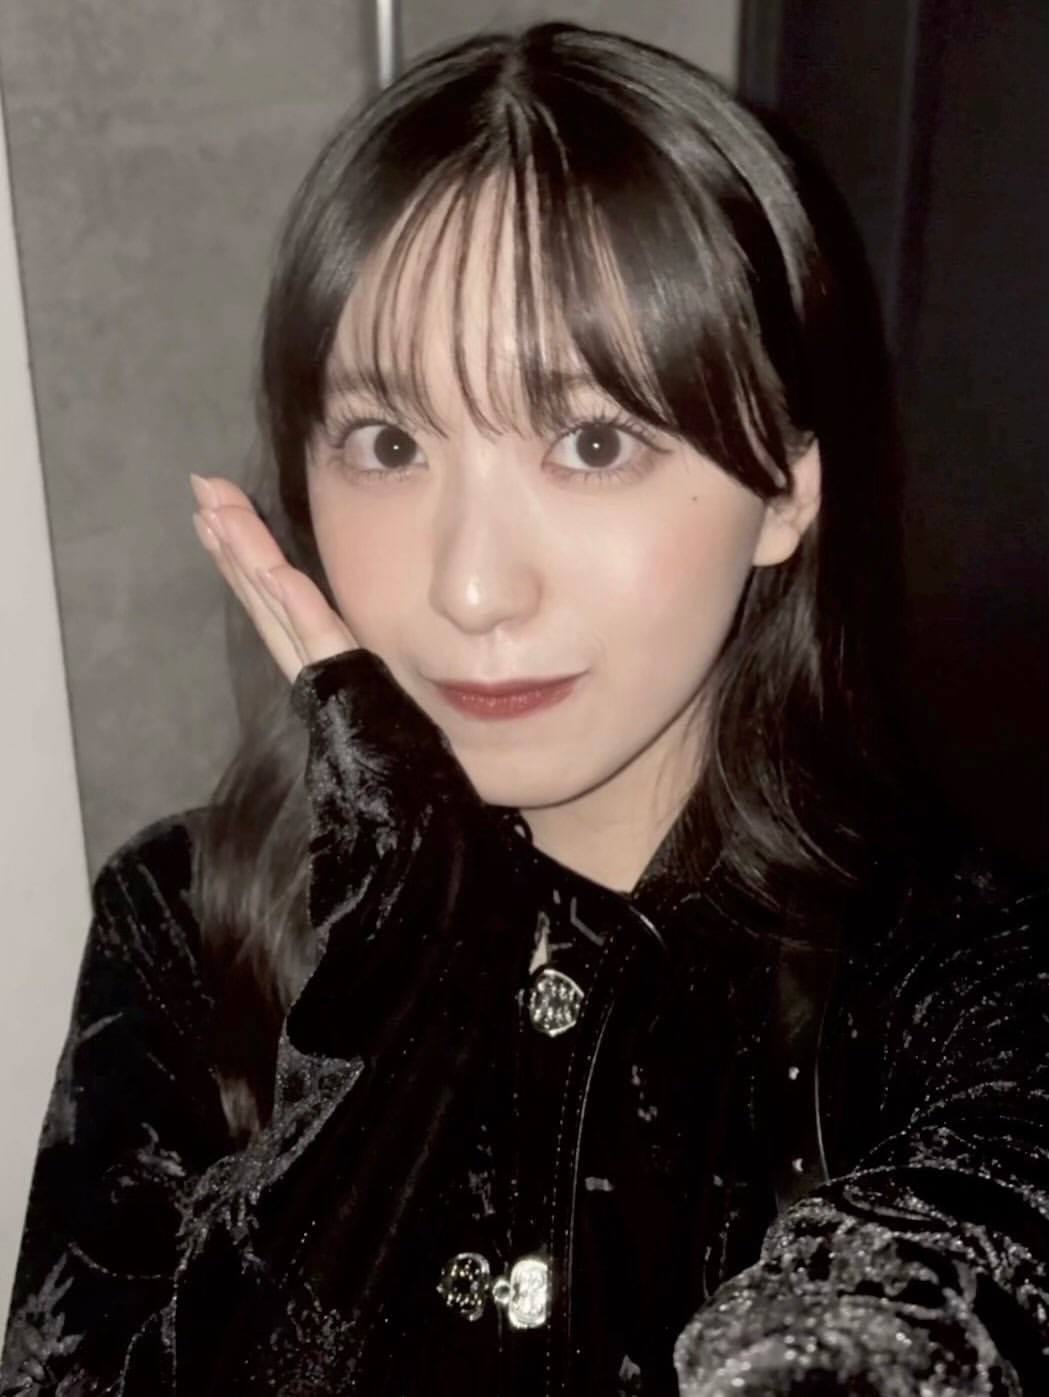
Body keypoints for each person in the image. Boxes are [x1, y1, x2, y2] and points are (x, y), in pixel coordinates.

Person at [2, 19, 1046, 1396]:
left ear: (785, 490)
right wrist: (385, 1014)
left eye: (594, 441)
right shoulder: (187, 925)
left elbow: (967, 1253)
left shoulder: (953, 966)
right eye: (389, 444)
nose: (472, 588)